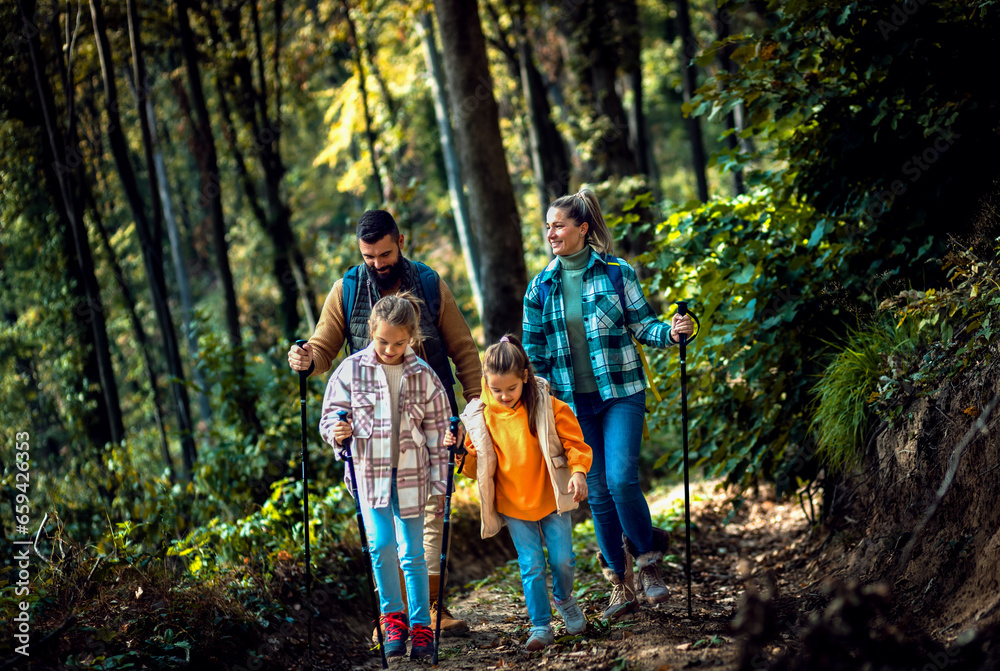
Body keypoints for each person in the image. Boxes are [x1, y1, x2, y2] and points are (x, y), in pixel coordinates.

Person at [289, 209, 480, 634]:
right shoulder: (348, 289)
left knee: (430, 516)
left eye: (385, 253)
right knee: (384, 536)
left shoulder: (429, 283)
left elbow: (463, 348)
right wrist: (306, 359)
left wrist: (474, 406)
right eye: (369, 255)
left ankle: (430, 609)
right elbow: (323, 346)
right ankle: (392, 615)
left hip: (430, 424)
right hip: (371, 437)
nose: (378, 263)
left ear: (401, 242)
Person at [521, 189, 696, 621]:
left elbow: (643, 324)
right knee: (597, 492)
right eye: (547, 226)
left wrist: (673, 333)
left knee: (620, 480)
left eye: (558, 225)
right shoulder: (540, 287)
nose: (551, 233)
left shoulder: (618, 272)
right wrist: (532, 402)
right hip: (572, 405)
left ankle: (649, 565)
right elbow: (533, 353)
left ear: (582, 228)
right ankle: (619, 583)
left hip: (621, 391)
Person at [319, 293, 450, 660]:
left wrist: (442, 485)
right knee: (380, 547)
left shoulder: (424, 376)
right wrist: (336, 431)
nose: (390, 349)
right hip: (368, 476)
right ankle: (393, 618)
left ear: (412, 338)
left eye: (399, 342)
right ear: (370, 333)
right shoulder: (350, 369)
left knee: (412, 552)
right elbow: (331, 415)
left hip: (412, 476)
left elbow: (440, 433)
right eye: (382, 341)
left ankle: (422, 625)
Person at [449, 335, 593, 651]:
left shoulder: (547, 404)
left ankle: (564, 598)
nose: (503, 396)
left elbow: (575, 444)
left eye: (511, 389)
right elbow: (477, 468)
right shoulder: (479, 415)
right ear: (486, 382)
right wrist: (460, 453)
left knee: (562, 559)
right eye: (496, 389)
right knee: (531, 565)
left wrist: (579, 472)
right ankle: (541, 626)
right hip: (512, 503)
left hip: (551, 495)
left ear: (524, 377)